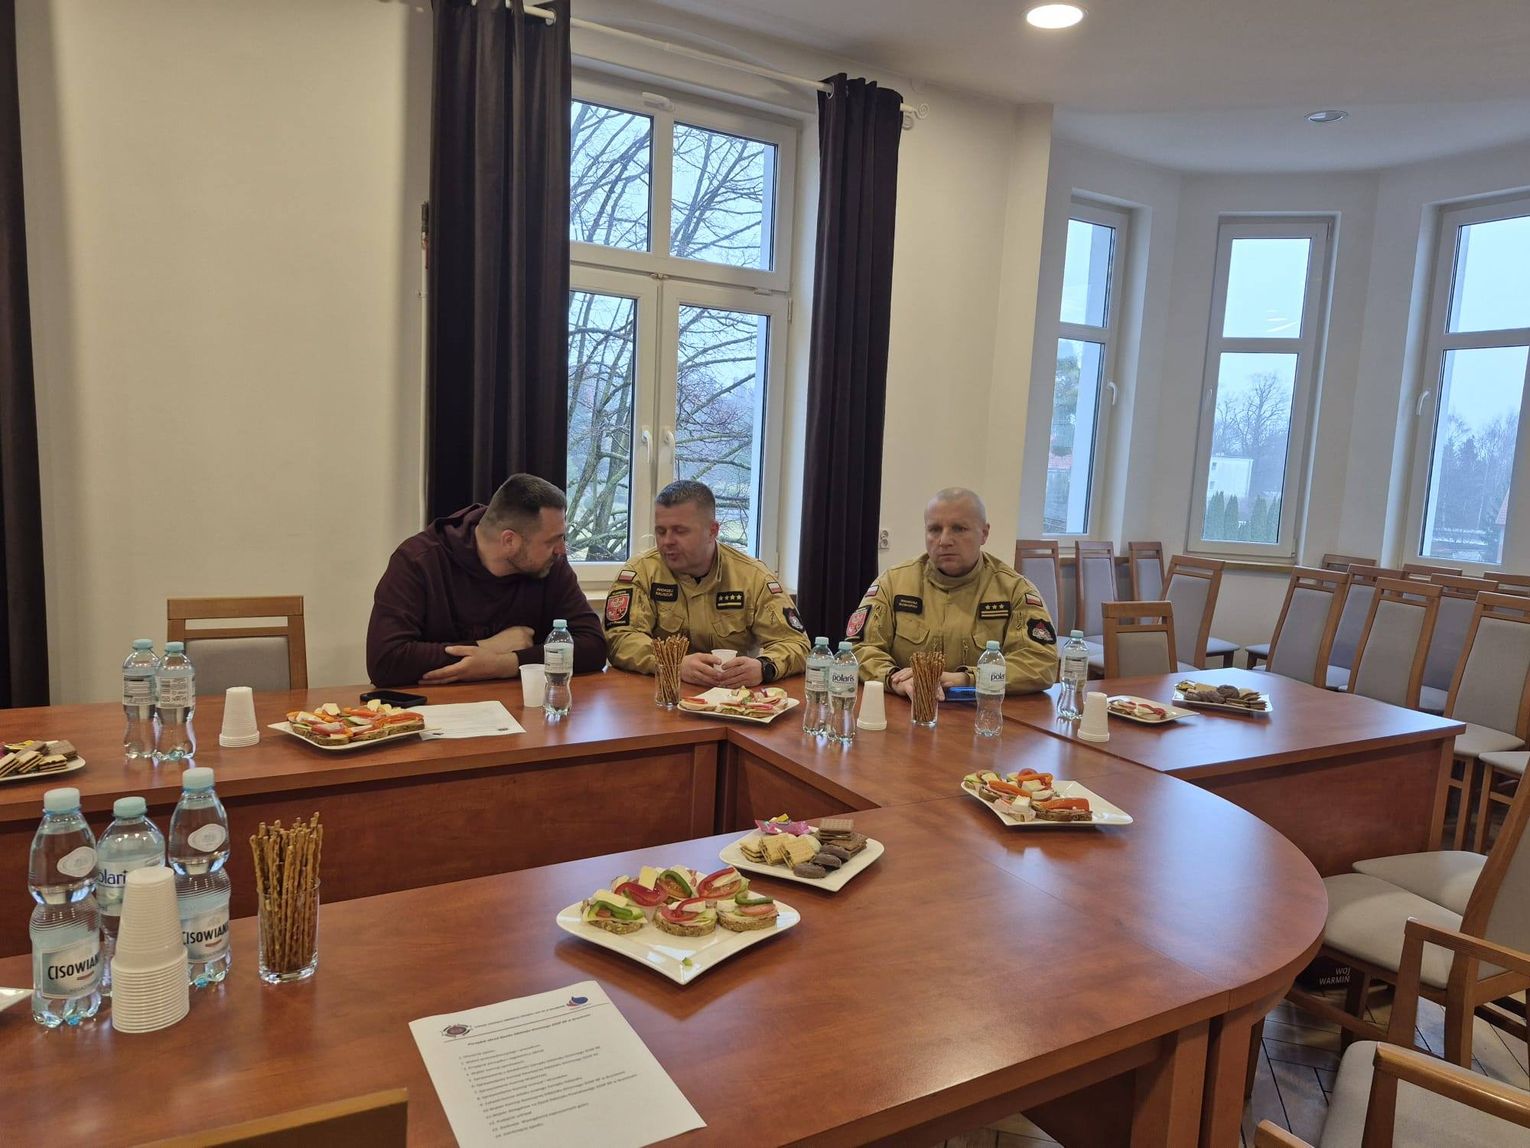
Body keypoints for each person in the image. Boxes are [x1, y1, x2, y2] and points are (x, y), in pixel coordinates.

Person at [366, 473, 606, 686]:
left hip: (524, 708)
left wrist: (506, 663)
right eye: (551, 540)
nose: (561, 550)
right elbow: (385, 660)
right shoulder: (419, 561)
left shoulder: (550, 565)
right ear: (509, 541)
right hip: (435, 712)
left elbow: (593, 646)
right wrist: (488, 646)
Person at [848, 487, 1057, 696]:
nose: (944, 540)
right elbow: (860, 648)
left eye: (959, 529)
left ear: (984, 533)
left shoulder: (1014, 591)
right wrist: (895, 679)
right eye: (935, 529)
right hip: (908, 706)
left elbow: (1040, 663)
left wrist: (969, 678)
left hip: (981, 709)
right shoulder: (894, 583)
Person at [605, 480, 810, 687]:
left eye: (680, 531)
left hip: (731, 695)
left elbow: (796, 643)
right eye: (661, 531)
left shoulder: (752, 577)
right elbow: (620, 640)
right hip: (662, 694)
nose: (667, 541)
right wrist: (672, 663)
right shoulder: (640, 572)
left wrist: (764, 667)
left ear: (712, 531)